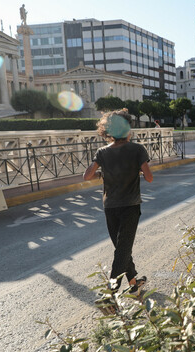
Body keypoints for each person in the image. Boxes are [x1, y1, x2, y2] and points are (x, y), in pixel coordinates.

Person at [83, 108, 153, 302]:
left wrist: (103, 173)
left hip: (110, 206)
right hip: (130, 206)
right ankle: (110, 293)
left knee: (122, 248)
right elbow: (149, 177)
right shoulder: (138, 149)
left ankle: (134, 286)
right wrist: (135, 169)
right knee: (123, 250)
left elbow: (87, 176)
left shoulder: (102, 152)